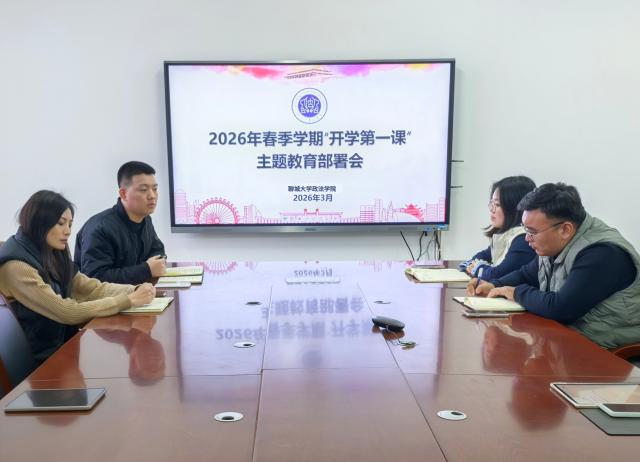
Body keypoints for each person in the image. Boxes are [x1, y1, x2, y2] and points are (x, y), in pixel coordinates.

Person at [468, 183, 640, 348]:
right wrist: (494, 285)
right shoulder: (554, 244)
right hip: (568, 340)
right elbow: (526, 274)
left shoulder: (602, 254)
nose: (526, 238)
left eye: (532, 231)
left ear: (565, 230)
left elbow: (561, 308)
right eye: (525, 229)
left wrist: (515, 292)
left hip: (607, 353)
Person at [0, 190, 156, 364]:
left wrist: (134, 290)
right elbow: (67, 311)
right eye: (61, 223)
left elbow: (90, 288)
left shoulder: (50, 251)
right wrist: (127, 300)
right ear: (39, 223)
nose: (68, 231)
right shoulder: (17, 266)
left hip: (60, 350)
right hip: (38, 365)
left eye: (70, 224)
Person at [74, 161, 166, 284]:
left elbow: (157, 250)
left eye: (155, 189)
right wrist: (146, 270)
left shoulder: (145, 219)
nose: (152, 196)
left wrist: (156, 263)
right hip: (105, 296)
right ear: (123, 194)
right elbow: (95, 278)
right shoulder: (100, 228)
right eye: (144, 190)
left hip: (137, 291)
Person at [459, 176, 537, 280]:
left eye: (497, 204)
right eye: (491, 203)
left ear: (515, 207)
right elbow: (480, 257)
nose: (492, 209)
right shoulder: (506, 235)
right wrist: (477, 266)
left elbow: (497, 275)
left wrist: (477, 268)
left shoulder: (523, 239)